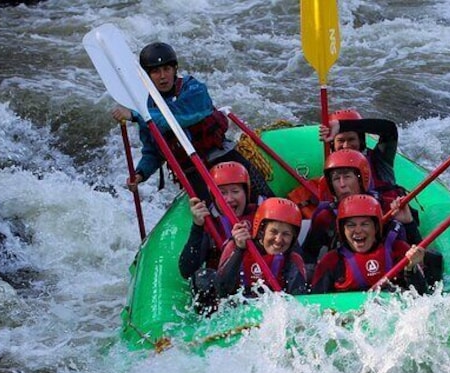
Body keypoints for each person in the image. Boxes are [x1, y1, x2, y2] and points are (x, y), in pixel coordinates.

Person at [111, 41, 273, 202]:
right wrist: (140, 174)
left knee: (265, 199)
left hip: (224, 158)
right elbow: (154, 151)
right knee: (211, 220)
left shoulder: (194, 89)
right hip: (195, 173)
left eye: (166, 69)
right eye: (155, 71)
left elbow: (176, 117)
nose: (162, 76)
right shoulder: (147, 109)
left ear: (175, 69)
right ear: (147, 76)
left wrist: (136, 115)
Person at [302, 148, 420, 263]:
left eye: (347, 177)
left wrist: (409, 223)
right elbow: (308, 256)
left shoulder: (388, 207)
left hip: (386, 273)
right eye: (336, 178)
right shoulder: (325, 215)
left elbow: (418, 253)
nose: (342, 184)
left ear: (361, 178)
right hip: (345, 277)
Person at [311, 194, 427, 294]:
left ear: (376, 228)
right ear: (343, 230)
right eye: (351, 225)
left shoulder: (399, 250)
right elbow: (316, 304)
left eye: (365, 224)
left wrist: (411, 269)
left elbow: (422, 296)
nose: (358, 230)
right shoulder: (331, 261)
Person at [179, 162, 258, 307]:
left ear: (246, 193)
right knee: (202, 277)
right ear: (213, 197)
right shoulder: (210, 224)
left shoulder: (262, 218)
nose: (229, 199)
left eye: (235, 191)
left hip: (259, 288)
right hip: (224, 294)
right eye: (222, 193)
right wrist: (197, 227)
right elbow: (187, 270)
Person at [215, 197, 308, 297]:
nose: (278, 240)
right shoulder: (235, 246)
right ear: (261, 231)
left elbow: (298, 300)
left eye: (286, 234)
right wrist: (239, 250)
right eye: (273, 232)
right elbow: (221, 290)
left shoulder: (293, 259)